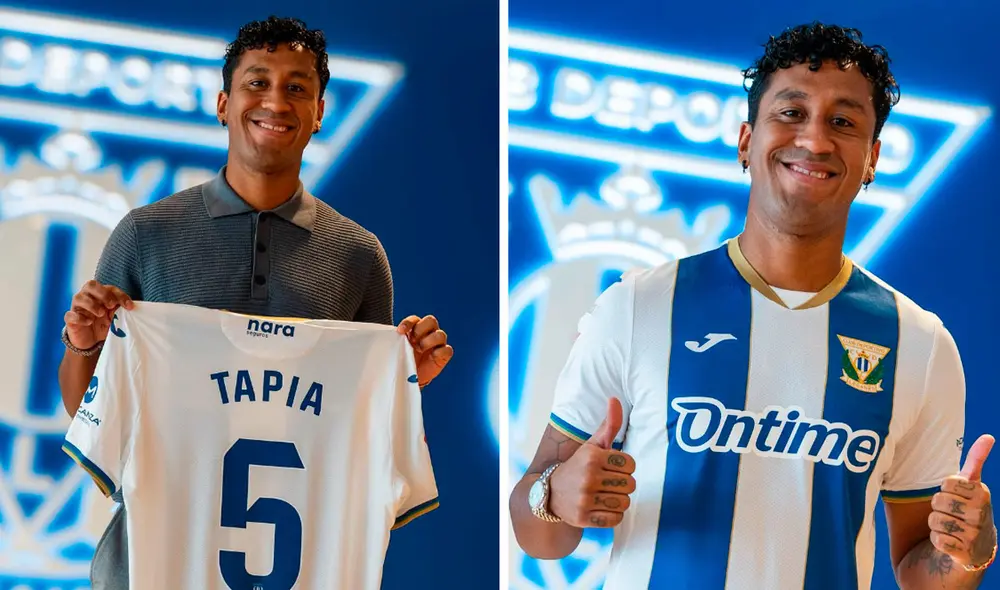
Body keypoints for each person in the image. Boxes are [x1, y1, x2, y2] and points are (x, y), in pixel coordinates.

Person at [509, 22, 996, 590]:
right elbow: (536, 532)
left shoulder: (921, 345)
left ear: (872, 159)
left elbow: (923, 573)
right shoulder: (638, 306)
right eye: (791, 113)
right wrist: (554, 496)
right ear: (746, 140)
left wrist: (969, 553)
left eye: (843, 122)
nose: (814, 141)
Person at [57, 16, 453, 589]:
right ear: (223, 102)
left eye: (297, 87)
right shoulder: (146, 234)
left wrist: (406, 383)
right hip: (150, 564)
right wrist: (83, 345)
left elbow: (362, 431)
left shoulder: (358, 256)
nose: (276, 100)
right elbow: (88, 412)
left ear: (319, 112)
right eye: (256, 82)